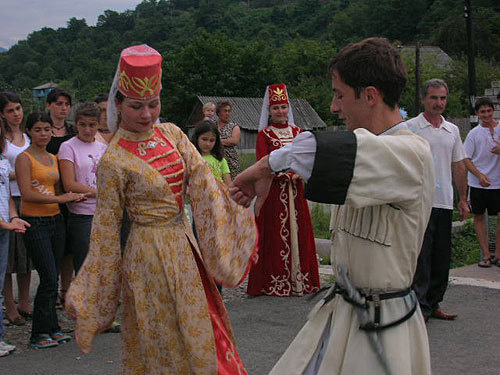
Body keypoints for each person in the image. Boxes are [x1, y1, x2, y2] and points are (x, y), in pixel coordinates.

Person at [231, 37, 433, 374]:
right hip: (343, 313)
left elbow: (315, 150)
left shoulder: (411, 153)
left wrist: (261, 167)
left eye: (339, 94)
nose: (333, 106)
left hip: (382, 328)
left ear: (369, 95)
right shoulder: (375, 149)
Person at [65, 44, 256, 374]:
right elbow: (106, 232)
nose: (146, 114)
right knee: (164, 335)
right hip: (148, 254)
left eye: (153, 104)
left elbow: (204, 183)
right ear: (118, 104)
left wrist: (239, 204)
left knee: (204, 327)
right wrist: (93, 293)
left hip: (184, 244)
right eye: (137, 106)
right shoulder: (113, 160)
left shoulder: (172, 134)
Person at [16, 112, 86, 349]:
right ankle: (38, 333)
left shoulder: (53, 158)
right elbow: (27, 193)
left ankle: (53, 328)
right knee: (46, 277)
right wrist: (61, 198)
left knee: (53, 277)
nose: (43, 134)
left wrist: (64, 198)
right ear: (29, 132)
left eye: (47, 129)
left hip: (56, 220)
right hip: (34, 222)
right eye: (37, 129)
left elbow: (59, 188)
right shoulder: (25, 158)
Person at [247, 83, 320, 296]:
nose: (280, 112)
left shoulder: (299, 133)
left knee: (300, 232)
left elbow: (307, 158)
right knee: (274, 234)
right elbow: (262, 163)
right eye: (276, 108)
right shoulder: (265, 135)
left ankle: (300, 279)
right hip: (274, 194)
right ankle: (275, 280)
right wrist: (281, 174)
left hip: (296, 193)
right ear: (269, 111)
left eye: (284, 107)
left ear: (289, 109)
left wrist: (299, 173)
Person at [407, 78, 468, 322]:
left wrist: (463, 199)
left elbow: (459, 164)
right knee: (421, 256)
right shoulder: (411, 127)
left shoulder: (452, 130)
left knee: (442, 257)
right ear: (423, 99)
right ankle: (419, 306)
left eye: (442, 98)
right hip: (419, 201)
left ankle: (434, 302)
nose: (438, 103)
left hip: (444, 201)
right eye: (433, 98)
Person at [58, 103, 107, 274]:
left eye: (92, 125)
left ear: (98, 124)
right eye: (82, 124)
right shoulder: (68, 146)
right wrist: (99, 193)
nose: (87, 129)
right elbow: (69, 184)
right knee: (84, 262)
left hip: (103, 212)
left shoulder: (103, 147)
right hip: (82, 215)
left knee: (104, 261)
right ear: (76, 124)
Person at [0, 92, 32, 326]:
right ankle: (9, 305)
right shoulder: (3, 140)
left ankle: (24, 301)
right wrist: (21, 173)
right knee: (9, 257)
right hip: (9, 197)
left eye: (18, 108)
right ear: (2, 114)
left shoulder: (28, 136)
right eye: (10, 110)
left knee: (26, 255)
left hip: (28, 197)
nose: (16, 114)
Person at [45, 88, 77, 309]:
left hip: (71, 193)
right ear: (48, 105)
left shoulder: (74, 130)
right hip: (48, 193)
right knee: (52, 246)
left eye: (66, 104)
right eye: (58, 103)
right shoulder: (41, 129)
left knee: (69, 248)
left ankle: (66, 290)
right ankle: (50, 288)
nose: (63, 108)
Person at [463, 97, 500, 267]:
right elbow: (467, 159)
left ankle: (497, 254)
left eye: (489, 111)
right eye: (482, 112)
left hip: (498, 182)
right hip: (478, 183)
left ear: (493, 110)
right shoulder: (473, 134)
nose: (486, 114)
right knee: (479, 216)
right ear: (477, 114)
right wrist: (479, 175)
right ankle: (485, 254)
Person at [191, 121, 232, 186]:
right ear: (197, 138)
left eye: (212, 140)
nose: (208, 144)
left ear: (216, 142)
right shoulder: (190, 159)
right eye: (204, 139)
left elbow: (228, 184)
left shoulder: (221, 160)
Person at [216, 101, 241, 179]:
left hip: (231, 161)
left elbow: (234, 141)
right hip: (215, 159)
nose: (227, 113)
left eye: (229, 111)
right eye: (225, 111)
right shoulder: (212, 125)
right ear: (219, 113)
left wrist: (217, 141)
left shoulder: (234, 126)